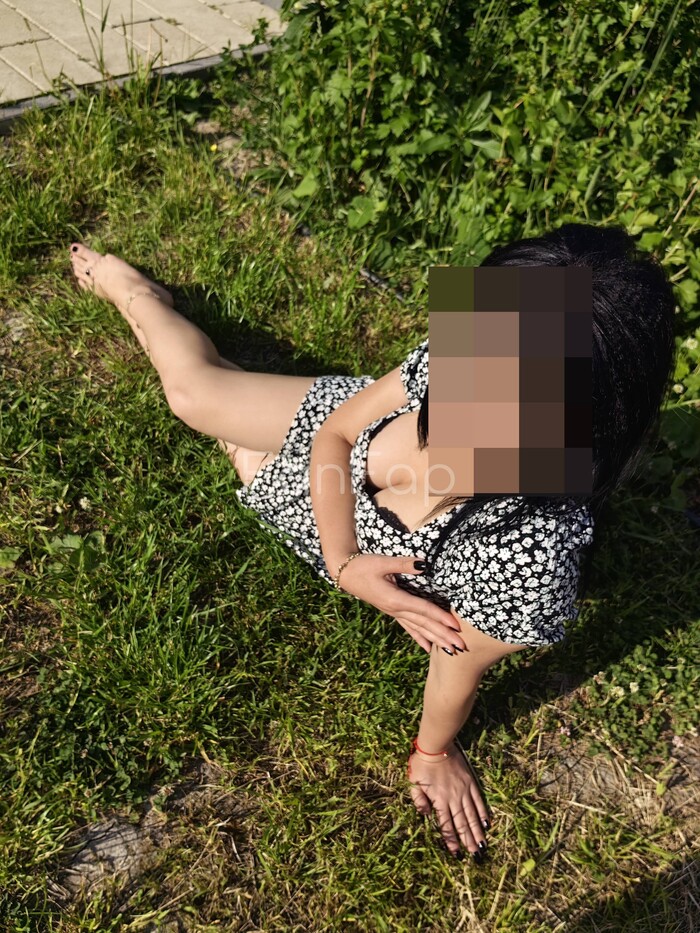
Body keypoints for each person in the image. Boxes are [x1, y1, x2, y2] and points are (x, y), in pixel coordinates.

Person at [68, 222, 677, 863]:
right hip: (338, 461)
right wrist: (345, 561)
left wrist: (432, 752)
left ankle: (196, 377)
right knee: (192, 394)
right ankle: (138, 294)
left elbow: (457, 666)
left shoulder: (529, 557)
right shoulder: (490, 341)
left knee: (240, 445)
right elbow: (336, 431)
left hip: (320, 494)